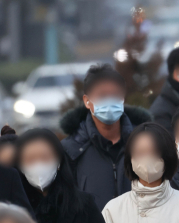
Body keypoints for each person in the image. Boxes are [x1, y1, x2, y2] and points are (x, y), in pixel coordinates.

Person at [60, 64, 153, 209]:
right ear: (87, 101)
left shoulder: (145, 143)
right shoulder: (71, 149)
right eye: (102, 96)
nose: (109, 102)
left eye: (115, 95)